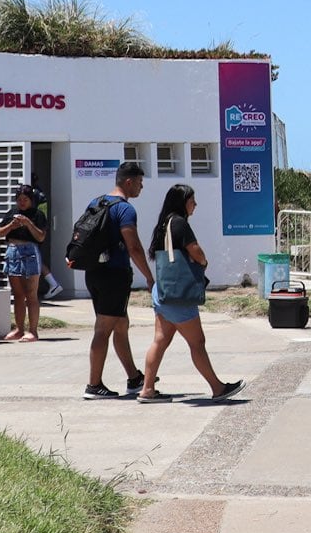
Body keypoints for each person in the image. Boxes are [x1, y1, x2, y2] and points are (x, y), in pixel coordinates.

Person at [138, 184, 244, 404]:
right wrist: (204, 262)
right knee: (197, 342)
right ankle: (217, 387)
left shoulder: (164, 224)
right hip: (179, 296)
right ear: (183, 202)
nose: (195, 204)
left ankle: (147, 389)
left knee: (160, 339)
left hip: (163, 292)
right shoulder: (179, 223)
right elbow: (195, 251)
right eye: (192, 200)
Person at [75, 161, 155, 400]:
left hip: (95, 272)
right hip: (114, 275)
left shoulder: (96, 202)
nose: (141, 187)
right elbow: (134, 246)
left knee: (120, 324)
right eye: (140, 182)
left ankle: (134, 378)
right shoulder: (125, 209)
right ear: (128, 182)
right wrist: (149, 277)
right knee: (103, 329)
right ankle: (94, 385)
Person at [0, 183, 49, 341]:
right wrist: (11, 225)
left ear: (31, 200)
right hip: (13, 250)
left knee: (31, 294)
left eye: (25, 199)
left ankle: (33, 331)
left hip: (30, 252)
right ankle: (19, 329)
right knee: (18, 294)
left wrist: (28, 223)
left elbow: (41, 237)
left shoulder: (38, 215)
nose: (22, 202)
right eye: (19, 199)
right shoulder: (11, 213)